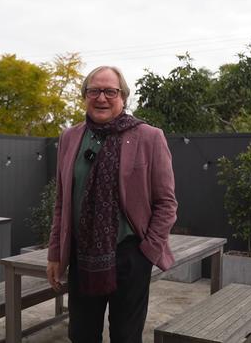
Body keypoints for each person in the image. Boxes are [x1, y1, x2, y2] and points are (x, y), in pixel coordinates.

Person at [46, 66, 178, 342]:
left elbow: (166, 203)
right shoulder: (70, 137)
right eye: (94, 91)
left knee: (126, 337)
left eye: (110, 91)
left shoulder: (149, 137)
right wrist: (55, 253)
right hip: (82, 256)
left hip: (130, 257)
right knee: (81, 335)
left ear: (123, 97)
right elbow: (62, 202)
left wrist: (147, 253)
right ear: (85, 95)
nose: (101, 98)